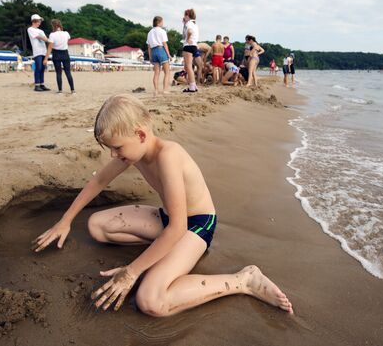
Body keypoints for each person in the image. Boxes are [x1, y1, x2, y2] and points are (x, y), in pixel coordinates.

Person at [32, 94, 294, 316]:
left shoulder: (168, 155)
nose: (114, 155)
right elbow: (98, 181)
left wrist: (132, 272)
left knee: (150, 301)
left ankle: (242, 281)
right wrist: (64, 221)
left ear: (141, 134)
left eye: (117, 148)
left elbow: (179, 227)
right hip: (168, 220)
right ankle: (167, 252)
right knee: (97, 226)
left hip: (195, 226)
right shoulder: (133, 153)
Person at [45, 19, 75, 94]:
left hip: (56, 54)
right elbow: (67, 40)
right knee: (68, 72)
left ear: (53, 26)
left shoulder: (52, 35)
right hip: (65, 53)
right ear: (60, 25)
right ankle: (72, 90)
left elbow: (50, 47)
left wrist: (46, 58)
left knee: (58, 73)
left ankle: (60, 90)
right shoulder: (66, 33)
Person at [146, 16, 172, 96]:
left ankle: (156, 90)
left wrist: (150, 57)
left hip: (153, 51)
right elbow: (164, 44)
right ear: (159, 22)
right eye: (162, 22)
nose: (163, 23)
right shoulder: (162, 31)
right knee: (167, 72)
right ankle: (165, 90)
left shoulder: (150, 32)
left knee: (156, 73)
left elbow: (149, 46)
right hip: (161, 50)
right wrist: (169, 55)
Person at [27, 14, 51, 92]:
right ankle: (37, 85)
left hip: (43, 51)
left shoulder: (41, 31)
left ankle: (42, 84)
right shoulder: (30, 29)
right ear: (34, 21)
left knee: (43, 68)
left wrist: (46, 39)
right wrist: (47, 39)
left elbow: (44, 38)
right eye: (38, 21)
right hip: (37, 51)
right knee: (38, 67)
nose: (39, 23)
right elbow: (40, 37)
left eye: (40, 21)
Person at [181, 9, 199, 93]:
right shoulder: (194, 24)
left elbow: (189, 31)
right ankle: (194, 85)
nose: (183, 17)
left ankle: (192, 87)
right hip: (194, 45)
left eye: (185, 15)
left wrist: (187, 39)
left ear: (187, 15)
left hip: (188, 46)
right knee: (188, 67)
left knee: (188, 67)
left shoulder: (189, 24)